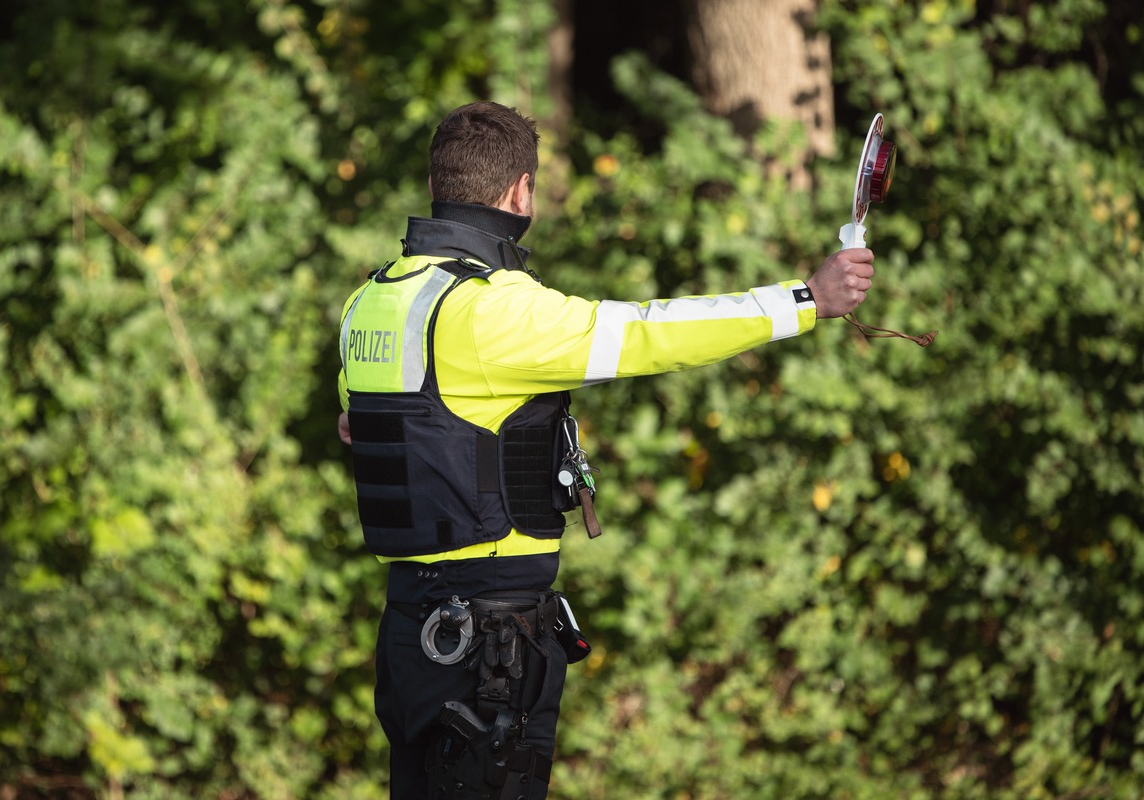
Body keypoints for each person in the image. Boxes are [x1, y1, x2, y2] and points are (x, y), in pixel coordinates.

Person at [336, 100, 874, 799]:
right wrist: (808, 299)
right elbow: (650, 333)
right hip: (489, 639)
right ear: (520, 191)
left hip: (408, 633)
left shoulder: (369, 303)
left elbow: (362, 428)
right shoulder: (493, 309)